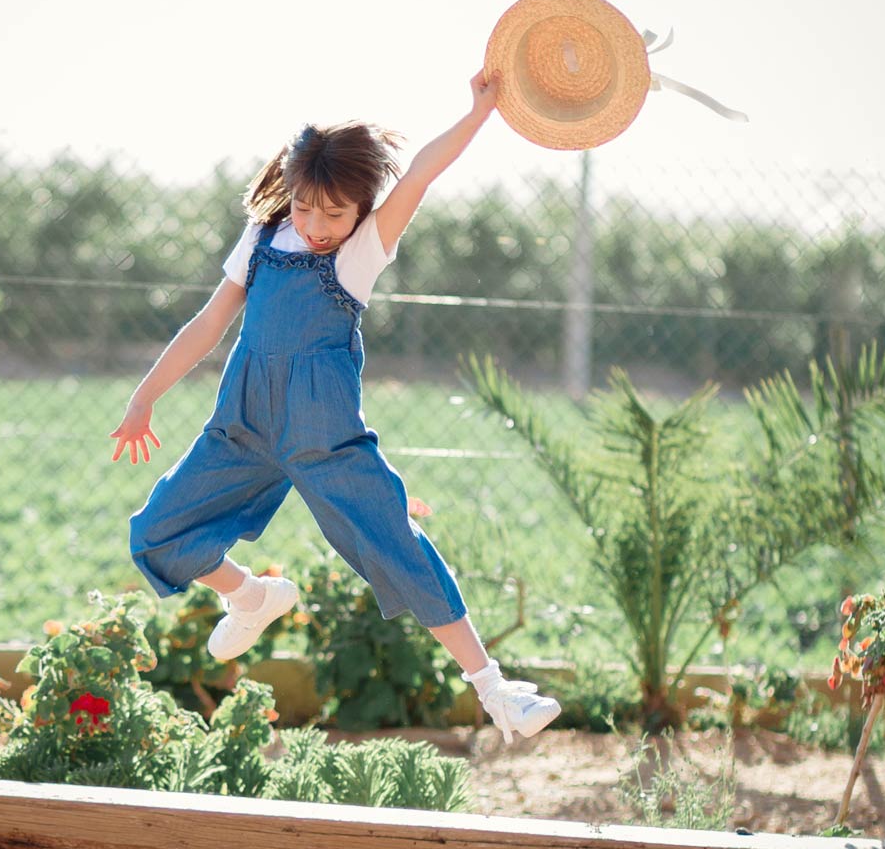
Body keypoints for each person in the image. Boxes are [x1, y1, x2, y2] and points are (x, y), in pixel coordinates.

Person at [111, 70, 560, 747]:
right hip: (244, 426)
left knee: (398, 548)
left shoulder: (360, 254)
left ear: (361, 211)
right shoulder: (262, 239)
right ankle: (251, 596)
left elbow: (420, 177)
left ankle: (497, 692)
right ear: (290, 194)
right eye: (305, 209)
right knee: (155, 534)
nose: (317, 227)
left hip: (326, 440)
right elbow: (208, 324)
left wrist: (479, 113)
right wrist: (145, 395)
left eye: (335, 214)